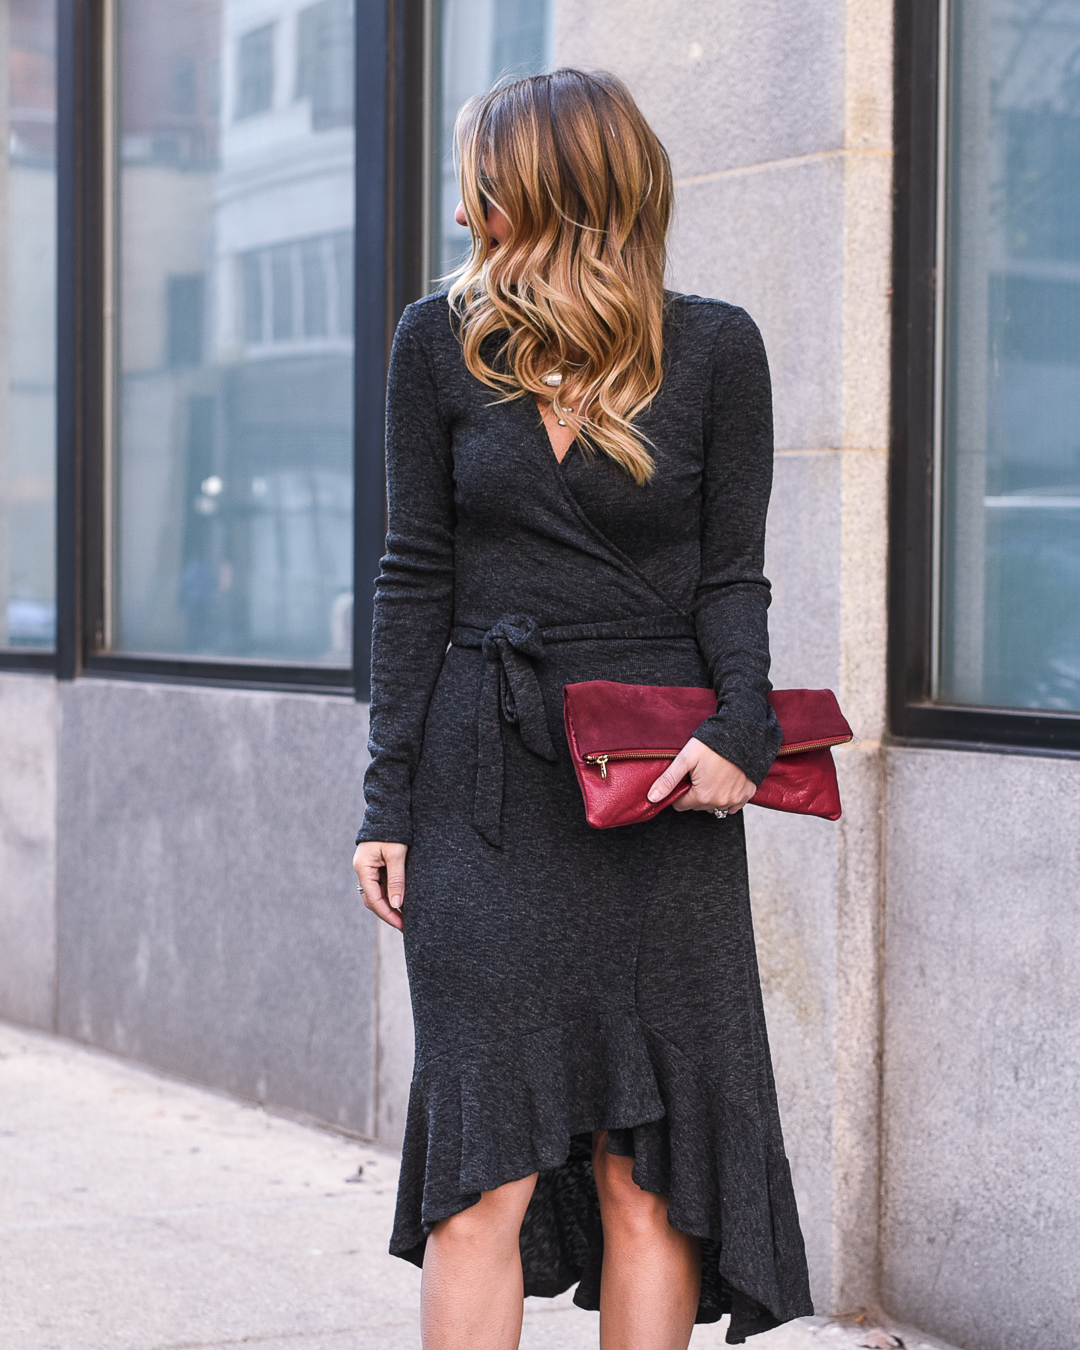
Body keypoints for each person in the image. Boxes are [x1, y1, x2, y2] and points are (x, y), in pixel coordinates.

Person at [353, 68, 813, 1350]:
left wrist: (744, 729)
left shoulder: (717, 346)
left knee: (643, 1163)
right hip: (482, 785)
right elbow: (413, 578)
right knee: (481, 1167)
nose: (464, 212)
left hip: (651, 788)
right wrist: (384, 797)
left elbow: (732, 573)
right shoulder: (433, 343)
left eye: (483, 184)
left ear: (547, 189)